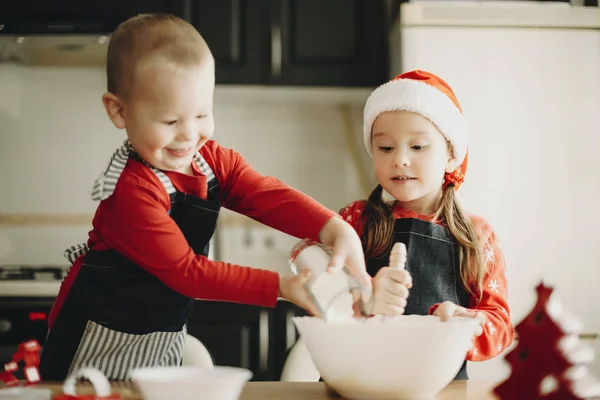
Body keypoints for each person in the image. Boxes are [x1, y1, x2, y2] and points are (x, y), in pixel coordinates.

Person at [39, 13, 371, 381]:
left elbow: (266, 195)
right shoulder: (131, 191)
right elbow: (187, 273)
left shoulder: (211, 162)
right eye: (170, 121)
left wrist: (333, 228)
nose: (189, 134)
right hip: (92, 342)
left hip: (160, 336)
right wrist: (280, 287)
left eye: (202, 114)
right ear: (119, 111)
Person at [340, 70, 514, 379]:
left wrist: (465, 324)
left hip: (441, 389)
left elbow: (499, 325)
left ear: (451, 156)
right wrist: (358, 298)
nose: (400, 160)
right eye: (385, 148)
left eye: (418, 147)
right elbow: (320, 294)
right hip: (356, 382)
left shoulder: (477, 237)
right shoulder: (353, 221)